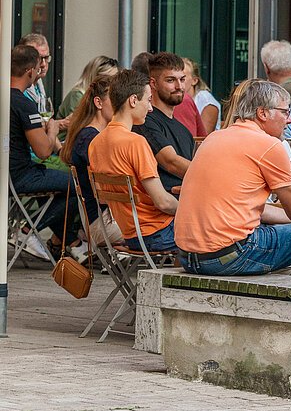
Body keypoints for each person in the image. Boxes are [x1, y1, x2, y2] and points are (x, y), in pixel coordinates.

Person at [175, 81, 291, 278]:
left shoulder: (214, 137)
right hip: (231, 255)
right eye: (284, 112)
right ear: (262, 113)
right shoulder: (269, 145)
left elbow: (251, 208)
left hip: (188, 258)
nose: (289, 120)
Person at [88, 69, 178, 252]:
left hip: (130, 234)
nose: (151, 108)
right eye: (148, 100)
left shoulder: (96, 143)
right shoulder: (135, 143)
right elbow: (163, 202)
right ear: (133, 100)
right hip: (157, 233)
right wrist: (193, 207)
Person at [9, 45, 80, 260]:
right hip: (19, 176)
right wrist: (53, 129)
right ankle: (27, 232)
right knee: (78, 184)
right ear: (31, 71)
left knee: (52, 183)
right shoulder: (23, 104)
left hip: (8, 173)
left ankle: (66, 242)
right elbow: (43, 151)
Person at [60, 76, 124, 247]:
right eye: (115, 100)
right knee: (171, 227)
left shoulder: (90, 135)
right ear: (98, 102)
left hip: (101, 220)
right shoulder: (91, 139)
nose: (121, 106)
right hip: (105, 223)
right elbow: (103, 192)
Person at [132, 52, 195, 193]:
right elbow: (171, 162)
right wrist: (211, 175)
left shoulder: (183, 131)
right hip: (163, 210)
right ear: (153, 83)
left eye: (182, 79)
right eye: (171, 80)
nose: (179, 86)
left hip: (187, 203)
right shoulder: (145, 121)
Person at [56, 55, 119, 120]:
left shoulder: (105, 97)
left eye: (115, 79)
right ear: (94, 76)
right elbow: (80, 124)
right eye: (108, 79)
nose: (112, 83)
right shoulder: (78, 95)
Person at [183, 57, 221, 132]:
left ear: (194, 81)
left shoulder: (207, 102)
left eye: (182, 78)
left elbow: (202, 138)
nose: (177, 82)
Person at [18, 33, 52, 115]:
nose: (43, 64)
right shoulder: (20, 88)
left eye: (46, 58)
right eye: (39, 59)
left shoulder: (39, 84)